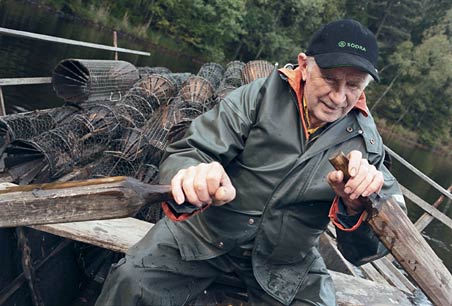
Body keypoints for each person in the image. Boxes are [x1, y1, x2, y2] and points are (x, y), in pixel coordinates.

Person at [95, 19, 406, 306]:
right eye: (329, 78)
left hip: (287, 261)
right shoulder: (258, 96)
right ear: (304, 65)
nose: (339, 98)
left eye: (353, 85)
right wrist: (194, 173)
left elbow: (365, 248)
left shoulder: (367, 144)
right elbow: (192, 149)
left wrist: (358, 206)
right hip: (203, 235)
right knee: (130, 280)